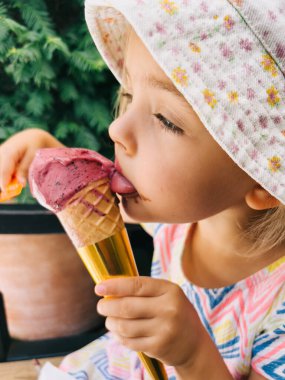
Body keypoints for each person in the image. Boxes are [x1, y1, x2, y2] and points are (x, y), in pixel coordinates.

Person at [1, 0, 284, 379]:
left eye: (166, 120)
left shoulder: (276, 308)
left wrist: (193, 355)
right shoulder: (179, 222)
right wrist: (50, 159)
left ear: (264, 179)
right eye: (129, 96)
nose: (116, 130)